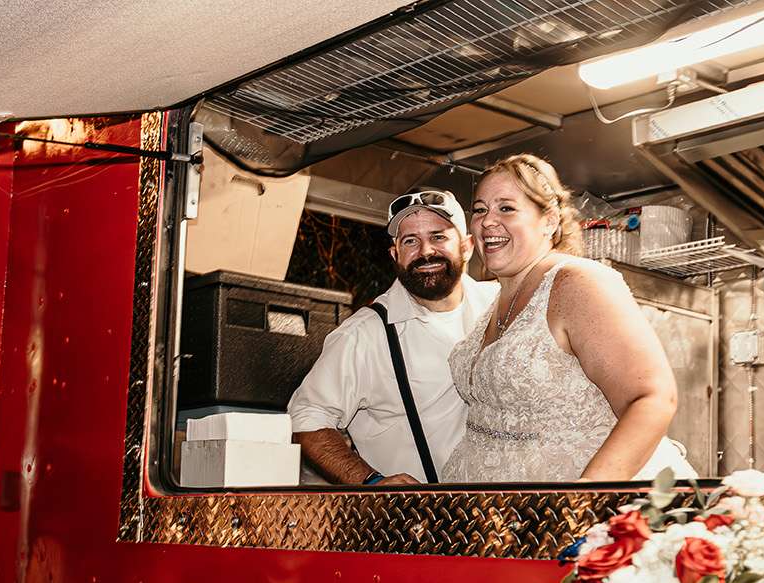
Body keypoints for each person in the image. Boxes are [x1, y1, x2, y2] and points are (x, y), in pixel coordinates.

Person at [444, 154, 696, 483]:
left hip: (579, 509)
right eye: (480, 209)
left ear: (549, 221)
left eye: (506, 208)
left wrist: (584, 498)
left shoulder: (577, 283)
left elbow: (653, 398)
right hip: (503, 519)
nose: (487, 221)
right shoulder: (495, 298)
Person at [287, 189, 499, 485]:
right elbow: (307, 418)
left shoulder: (499, 303)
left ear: (466, 246)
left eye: (439, 237)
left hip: (503, 514)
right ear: (394, 253)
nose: (425, 252)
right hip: (419, 522)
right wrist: (371, 482)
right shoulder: (363, 334)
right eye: (410, 241)